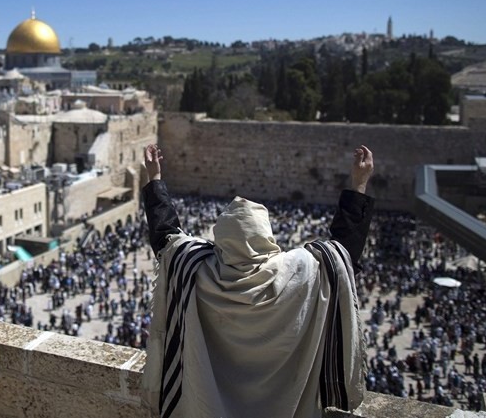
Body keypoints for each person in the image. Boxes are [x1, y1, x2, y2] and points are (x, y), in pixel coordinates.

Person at [140, 144, 375, 418]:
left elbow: (165, 238)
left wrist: (155, 178)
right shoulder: (299, 273)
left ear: (221, 237)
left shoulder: (197, 272)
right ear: (266, 235)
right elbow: (343, 251)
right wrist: (359, 184)